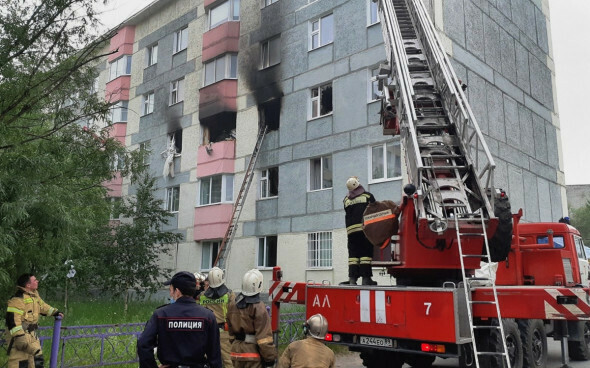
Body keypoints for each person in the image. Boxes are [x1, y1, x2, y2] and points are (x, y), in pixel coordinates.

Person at [137, 271, 222, 368]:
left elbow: (143, 344)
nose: (170, 294)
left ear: (177, 291)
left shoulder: (161, 314)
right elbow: (215, 354)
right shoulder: (208, 316)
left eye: (170, 290)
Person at [5, 273, 63, 368]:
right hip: (20, 335)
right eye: (35, 280)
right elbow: (12, 319)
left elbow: (43, 306)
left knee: (37, 361)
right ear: (28, 285)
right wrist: (19, 336)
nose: (37, 281)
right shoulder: (17, 299)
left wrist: (55, 312)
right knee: (20, 362)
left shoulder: (34, 295)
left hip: (31, 334)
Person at [227, 269, 277, 368]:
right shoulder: (259, 307)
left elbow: (231, 332)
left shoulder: (233, 304)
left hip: (236, 352)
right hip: (252, 354)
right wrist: (270, 359)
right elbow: (264, 339)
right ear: (259, 285)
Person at [343, 176, 377, 285]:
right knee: (365, 254)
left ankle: (352, 279)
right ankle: (366, 279)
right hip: (364, 229)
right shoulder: (368, 196)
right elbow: (375, 209)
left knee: (353, 255)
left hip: (351, 232)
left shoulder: (346, 200)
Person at [200, 267, 236, 368]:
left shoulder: (202, 296)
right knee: (229, 361)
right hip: (224, 332)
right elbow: (234, 313)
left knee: (208, 360)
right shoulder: (229, 294)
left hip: (207, 333)